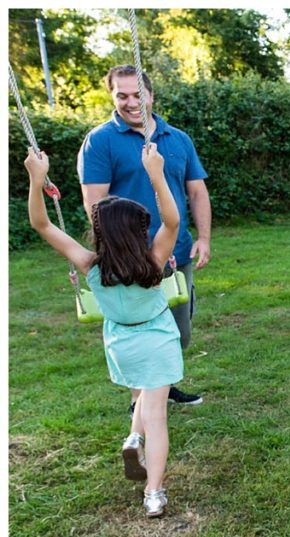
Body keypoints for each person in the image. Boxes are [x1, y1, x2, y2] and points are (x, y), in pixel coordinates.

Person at [26, 144, 182, 518]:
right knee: (158, 415)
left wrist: (35, 181)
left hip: (121, 345)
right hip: (156, 341)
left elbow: (42, 224)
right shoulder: (153, 261)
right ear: (138, 234)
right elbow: (173, 222)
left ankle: (133, 436)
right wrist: (157, 174)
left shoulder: (91, 266)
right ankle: (153, 492)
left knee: (144, 387)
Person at [78, 64, 211, 414]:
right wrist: (108, 251)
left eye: (138, 94)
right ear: (112, 96)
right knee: (136, 329)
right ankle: (142, 407)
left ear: (151, 94)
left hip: (175, 252)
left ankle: (159, 391)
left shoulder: (177, 138)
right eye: (122, 95)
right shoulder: (101, 140)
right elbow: (94, 203)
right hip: (128, 259)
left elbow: (196, 191)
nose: (131, 102)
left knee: (178, 332)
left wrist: (205, 237)